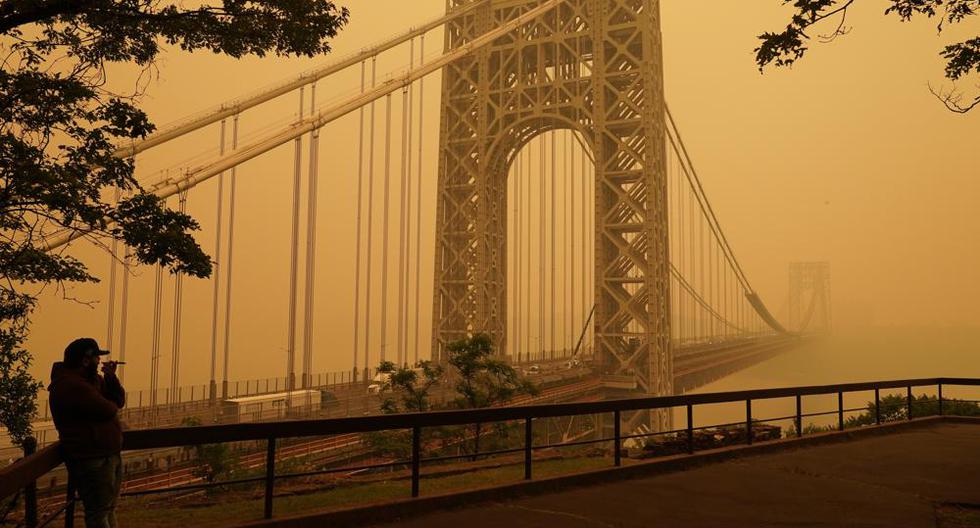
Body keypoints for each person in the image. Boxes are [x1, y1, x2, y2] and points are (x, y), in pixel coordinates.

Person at [49, 338, 126, 528]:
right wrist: (111, 405)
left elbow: (118, 400)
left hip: (105, 455)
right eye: (96, 358)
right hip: (91, 458)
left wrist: (110, 377)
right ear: (85, 361)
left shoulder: (90, 381)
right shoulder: (72, 386)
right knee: (98, 514)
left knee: (107, 510)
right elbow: (109, 409)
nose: (99, 361)